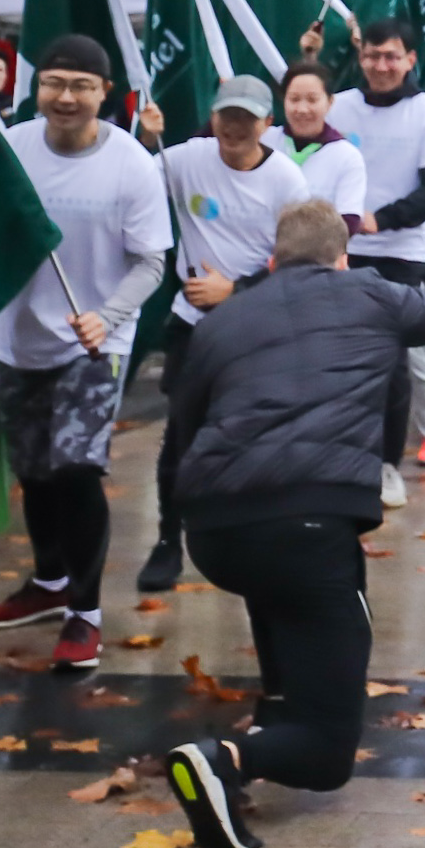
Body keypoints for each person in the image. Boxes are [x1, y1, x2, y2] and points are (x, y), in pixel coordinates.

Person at [162, 205, 425, 848]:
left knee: (276, 588)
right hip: (307, 521)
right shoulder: (365, 290)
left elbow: (181, 430)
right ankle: (226, 757)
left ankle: (273, 719)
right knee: (329, 751)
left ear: (272, 259)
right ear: (343, 256)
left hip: (218, 530)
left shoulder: (224, 318)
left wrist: (169, 534)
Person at [0, 35, 172, 672]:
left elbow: (151, 262)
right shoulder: (12, 147)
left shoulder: (132, 165)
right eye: (54, 83)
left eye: (80, 86)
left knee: (77, 467)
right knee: (34, 469)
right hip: (17, 337)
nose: (65, 97)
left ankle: (84, 613)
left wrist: (106, 316)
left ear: (103, 94)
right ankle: (49, 581)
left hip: (95, 341)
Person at [138, 77, 311, 594]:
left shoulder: (286, 180)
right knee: (180, 438)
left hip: (259, 326)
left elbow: (300, 261)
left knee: (255, 436)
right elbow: (134, 186)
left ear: (266, 124)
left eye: (246, 118)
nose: (234, 127)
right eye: (226, 116)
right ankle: (169, 539)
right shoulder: (186, 159)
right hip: (192, 326)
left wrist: (234, 290)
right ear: (212, 118)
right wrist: (148, 141)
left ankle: (249, 533)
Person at [328, 20, 425, 497]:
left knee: (395, 362)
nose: (381, 66)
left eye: (391, 57)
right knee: (336, 358)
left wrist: (380, 220)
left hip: (400, 254)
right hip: (339, 253)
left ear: (409, 59)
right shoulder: (338, 107)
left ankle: (387, 465)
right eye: (372, 56)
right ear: (360, 58)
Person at [268, 63, 369, 234]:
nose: (302, 109)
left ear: (330, 102)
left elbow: (349, 220)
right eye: (294, 99)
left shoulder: (346, 156)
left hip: (317, 257)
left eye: (312, 100)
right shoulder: (264, 139)